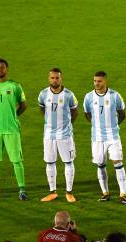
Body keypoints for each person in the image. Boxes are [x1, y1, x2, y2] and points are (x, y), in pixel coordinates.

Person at [0, 58, 28, 201]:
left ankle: (22, 190)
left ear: (6, 69)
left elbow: (23, 105)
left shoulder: (15, 86)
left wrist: (13, 116)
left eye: (2, 68)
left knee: (17, 161)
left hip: (11, 129)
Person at [83, 71, 126, 203]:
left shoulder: (115, 96)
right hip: (97, 138)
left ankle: (123, 194)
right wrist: (97, 125)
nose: (96, 83)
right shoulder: (89, 97)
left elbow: (122, 114)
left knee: (118, 163)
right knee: (100, 165)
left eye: (99, 81)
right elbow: (87, 114)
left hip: (113, 137)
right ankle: (105, 193)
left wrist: (113, 125)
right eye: (95, 81)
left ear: (105, 81)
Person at [38, 68, 78, 203]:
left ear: (61, 79)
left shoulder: (69, 95)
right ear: (49, 79)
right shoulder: (43, 94)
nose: (55, 80)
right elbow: (43, 109)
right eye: (52, 78)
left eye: (57, 78)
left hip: (65, 134)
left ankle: (69, 192)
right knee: (50, 162)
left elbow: (74, 113)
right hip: (49, 134)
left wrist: (66, 125)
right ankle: (52, 192)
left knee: (68, 162)